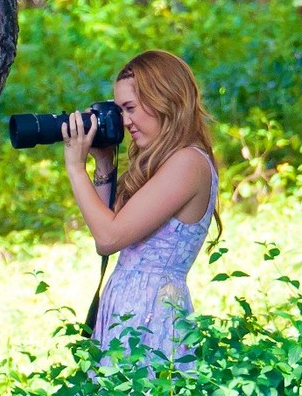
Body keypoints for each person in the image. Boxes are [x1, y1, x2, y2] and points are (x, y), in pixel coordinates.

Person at [61, 49, 222, 371]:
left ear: (165, 99)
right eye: (119, 111)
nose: (124, 122)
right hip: (129, 307)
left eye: (130, 108)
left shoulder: (188, 163)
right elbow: (108, 227)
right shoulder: (163, 163)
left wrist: (75, 168)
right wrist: (103, 163)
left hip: (152, 313)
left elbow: (109, 238)